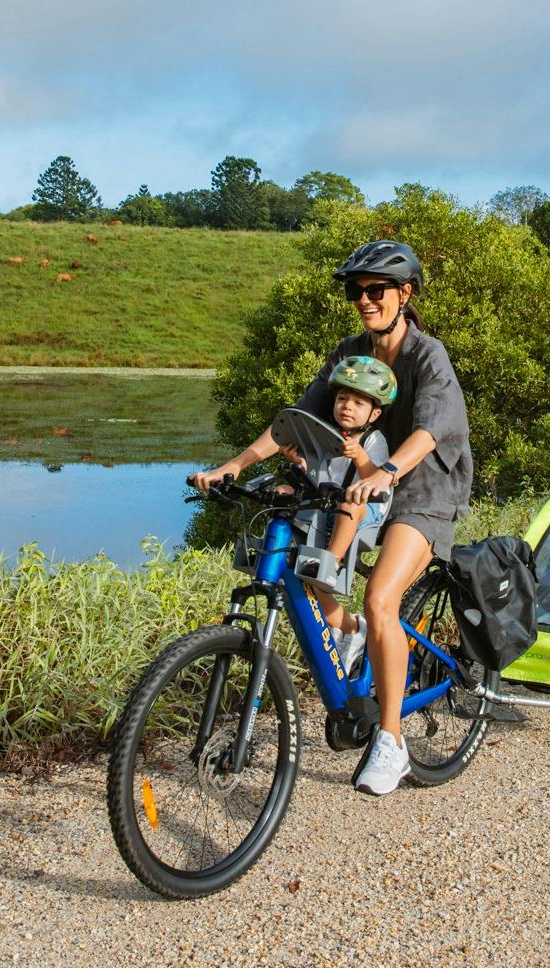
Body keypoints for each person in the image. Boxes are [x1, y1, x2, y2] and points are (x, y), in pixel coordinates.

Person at [192, 239, 473, 797]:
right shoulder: (350, 352)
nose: (365, 300)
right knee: (306, 563)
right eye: (356, 291)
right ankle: (350, 635)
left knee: (381, 600)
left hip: (425, 487)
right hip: (358, 481)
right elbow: (295, 421)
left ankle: (392, 743)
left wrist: (387, 470)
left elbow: (430, 429)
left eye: (376, 290)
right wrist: (233, 466)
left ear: (404, 293)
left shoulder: (427, 354)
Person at [285, 355, 396, 675]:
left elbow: (375, 479)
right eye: (342, 398)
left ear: (374, 413)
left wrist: (360, 454)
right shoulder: (325, 434)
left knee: (351, 504)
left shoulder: (373, 440)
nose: (347, 406)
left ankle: (330, 561)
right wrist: (298, 463)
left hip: (366, 508)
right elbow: (316, 474)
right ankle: (350, 628)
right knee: (283, 494)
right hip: (328, 506)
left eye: (358, 402)